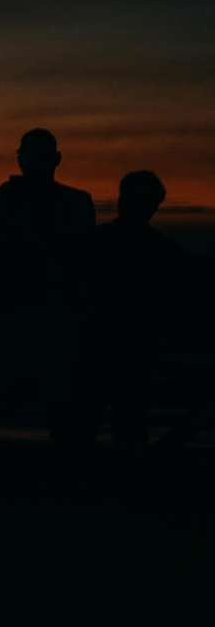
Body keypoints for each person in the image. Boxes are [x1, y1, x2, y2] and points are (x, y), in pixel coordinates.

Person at [0, 128, 95, 446]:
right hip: (9, 318)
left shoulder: (75, 204)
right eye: (32, 156)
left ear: (56, 159)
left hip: (51, 321)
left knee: (63, 415)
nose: (37, 163)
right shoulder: (0, 201)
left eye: (42, 156)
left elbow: (83, 267)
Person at [79, 170, 186, 453]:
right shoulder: (163, 251)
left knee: (112, 422)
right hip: (108, 346)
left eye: (143, 200)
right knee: (113, 423)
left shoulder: (96, 242)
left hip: (122, 347)